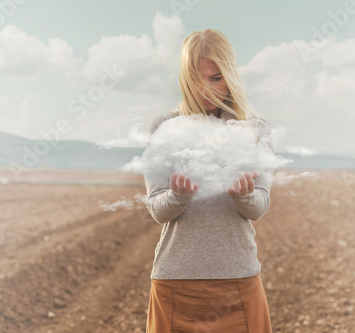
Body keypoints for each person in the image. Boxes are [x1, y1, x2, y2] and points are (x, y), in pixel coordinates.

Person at [144, 28, 274, 333]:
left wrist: (243, 195)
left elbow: (259, 207)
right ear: (184, 78)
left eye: (215, 77)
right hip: (175, 286)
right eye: (196, 78)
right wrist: (178, 195)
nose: (206, 89)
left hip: (238, 283)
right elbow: (157, 210)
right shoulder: (164, 127)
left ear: (230, 75)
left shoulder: (256, 130)